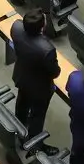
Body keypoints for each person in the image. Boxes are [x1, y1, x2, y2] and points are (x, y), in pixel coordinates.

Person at [9, 10, 61, 152]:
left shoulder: (16, 27)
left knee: (22, 103)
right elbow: (55, 72)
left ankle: (19, 128)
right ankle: (35, 144)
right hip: (40, 88)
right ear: (42, 28)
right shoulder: (47, 50)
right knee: (37, 115)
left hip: (22, 76)